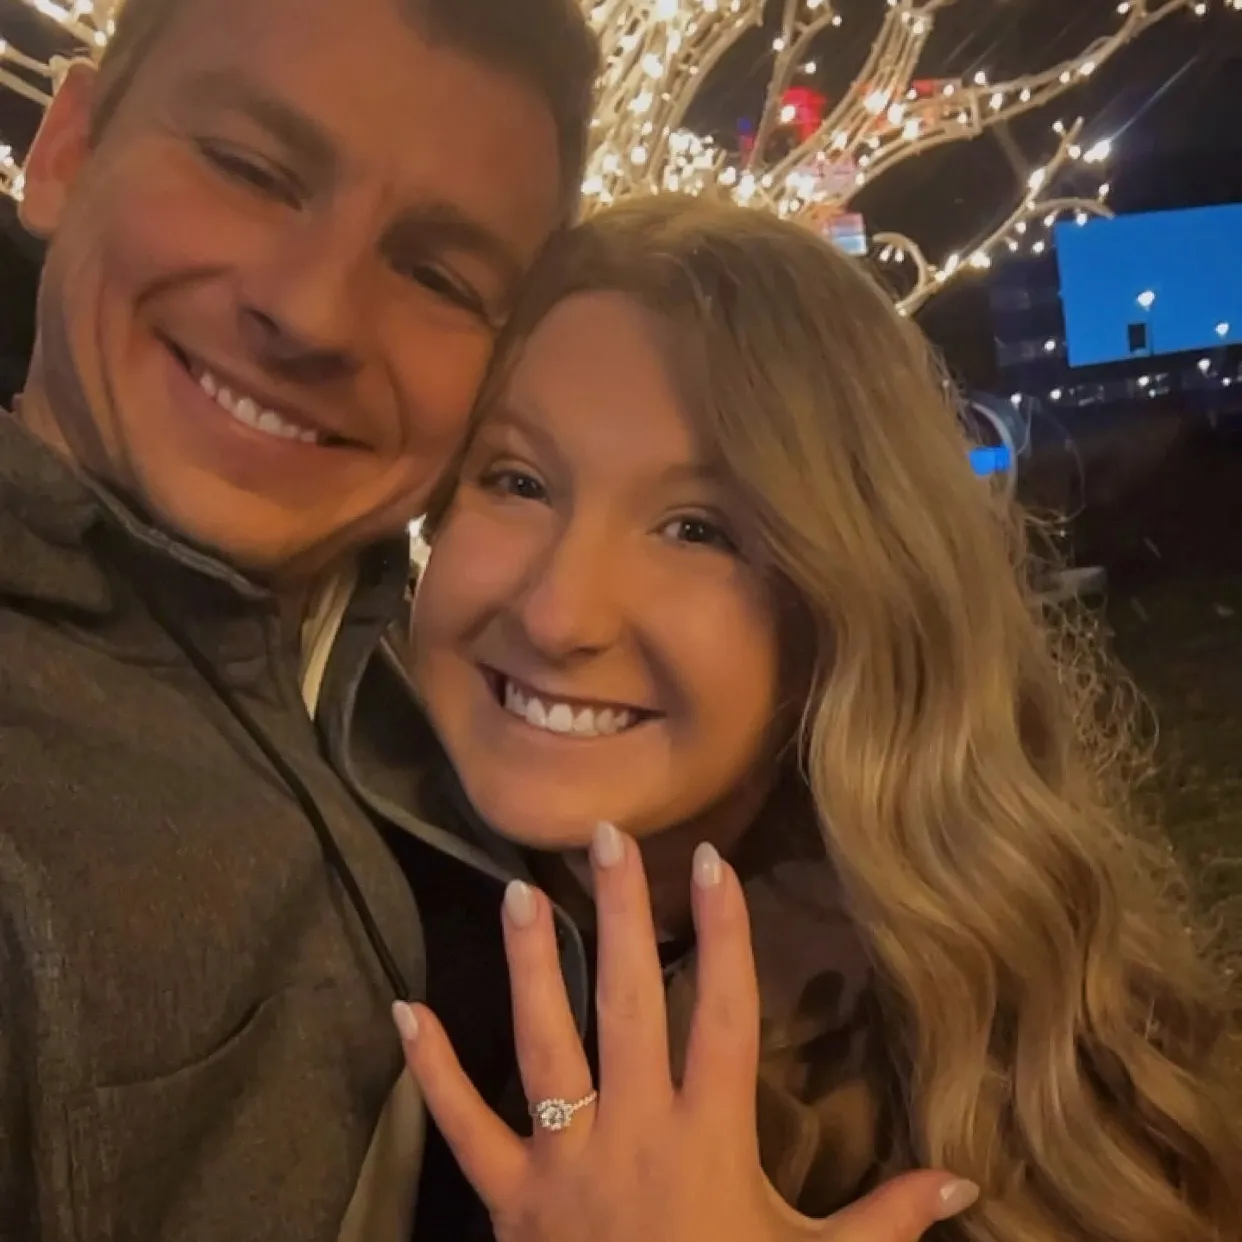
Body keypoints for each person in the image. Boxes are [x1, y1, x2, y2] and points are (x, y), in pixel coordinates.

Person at [398, 195, 1242, 1242]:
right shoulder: (311, 937)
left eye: (698, 528)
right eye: (517, 480)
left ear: (844, 608)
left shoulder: (1021, 1057)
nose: (558, 612)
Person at [0, 0, 599, 1237]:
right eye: (249, 169)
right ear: (64, 153)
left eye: (437, 273)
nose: (316, 313)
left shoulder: (436, 682)